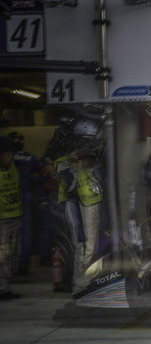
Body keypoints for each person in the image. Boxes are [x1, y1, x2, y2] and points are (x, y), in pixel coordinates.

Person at [54, 118, 105, 295]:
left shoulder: (94, 161)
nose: (88, 145)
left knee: (88, 246)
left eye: (90, 140)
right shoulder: (65, 162)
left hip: (90, 205)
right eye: (84, 140)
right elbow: (68, 182)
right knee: (85, 245)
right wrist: (78, 160)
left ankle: (84, 282)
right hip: (79, 206)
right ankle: (82, 285)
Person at [6, 132, 49, 276]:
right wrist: (34, 181)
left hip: (7, 200)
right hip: (27, 197)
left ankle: (10, 266)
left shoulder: (5, 158)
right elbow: (45, 174)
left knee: (7, 235)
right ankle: (23, 263)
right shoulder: (30, 157)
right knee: (25, 231)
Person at [0, 137, 22, 300]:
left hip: (14, 217)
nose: (11, 158)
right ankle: (2, 288)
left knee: (13, 254)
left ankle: (5, 287)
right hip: (2, 221)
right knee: (3, 254)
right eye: (7, 155)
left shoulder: (13, 167)